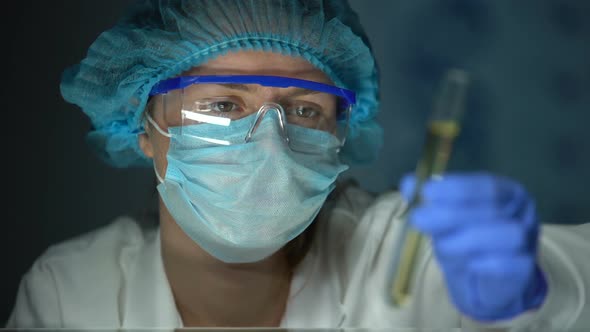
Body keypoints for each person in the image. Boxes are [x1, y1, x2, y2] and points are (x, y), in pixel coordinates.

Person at [6, 0, 590, 330]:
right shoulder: (74, 294)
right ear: (142, 129)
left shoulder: (398, 252)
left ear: (342, 132)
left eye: (305, 109)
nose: (268, 141)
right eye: (222, 104)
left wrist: (539, 290)